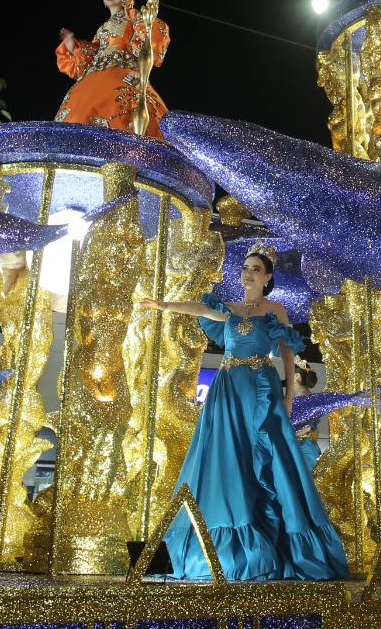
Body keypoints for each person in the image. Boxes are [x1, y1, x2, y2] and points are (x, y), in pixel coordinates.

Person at [136, 244, 348, 580]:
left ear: (267, 277)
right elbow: (201, 309)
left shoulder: (275, 310)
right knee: (225, 456)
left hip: (260, 389)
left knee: (269, 456)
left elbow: (287, 354)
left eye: (255, 269)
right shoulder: (231, 310)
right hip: (227, 391)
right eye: (245, 268)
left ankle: (280, 542)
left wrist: (288, 395)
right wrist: (164, 305)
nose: (248, 274)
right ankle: (221, 540)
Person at [56, 0, 170, 137]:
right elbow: (95, 52)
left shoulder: (132, 17)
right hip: (95, 74)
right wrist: (73, 45)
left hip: (122, 71)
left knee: (122, 106)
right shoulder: (103, 28)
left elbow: (151, 34)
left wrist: (144, 21)